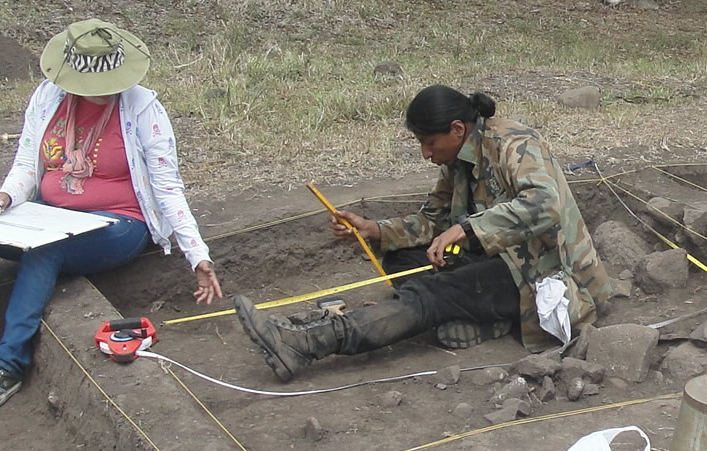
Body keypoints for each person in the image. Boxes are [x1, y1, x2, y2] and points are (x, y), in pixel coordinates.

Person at [0, 18, 223, 411]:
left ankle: (7, 363)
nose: (104, 94)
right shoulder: (48, 97)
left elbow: (167, 186)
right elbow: (28, 161)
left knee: (45, 250)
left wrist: (197, 254)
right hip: (49, 213)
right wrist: (7, 196)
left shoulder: (145, 109)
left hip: (119, 223)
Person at [235, 84, 610, 382]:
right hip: (494, 259)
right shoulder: (458, 159)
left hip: (541, 272)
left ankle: (308, 343)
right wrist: (373, 229)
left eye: (429, 143)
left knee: (433, 290)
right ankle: (477, 316)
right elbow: (430, 222)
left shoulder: (515, 145)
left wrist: (467, 229)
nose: (425, 154)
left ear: (457, 129)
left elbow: (545, 205)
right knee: (401, 256)